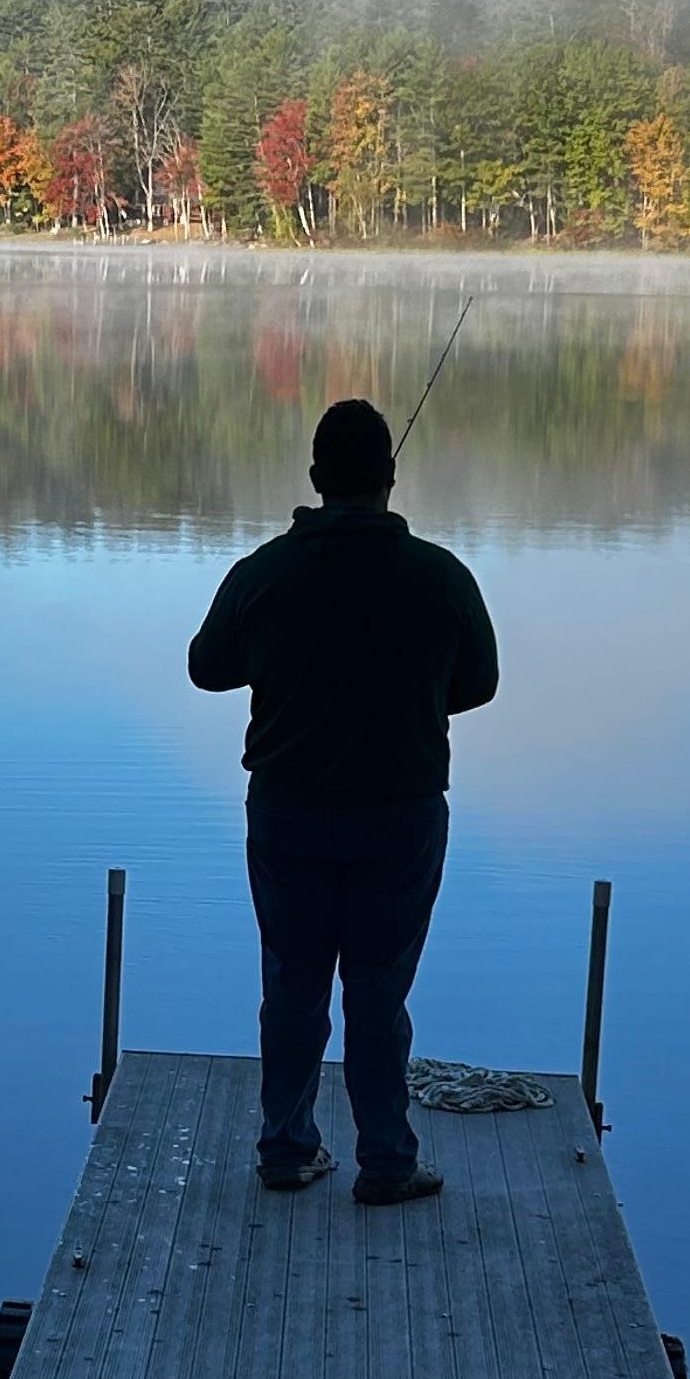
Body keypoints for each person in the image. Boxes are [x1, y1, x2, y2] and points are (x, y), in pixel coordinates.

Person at [186, 394, 499, 1204]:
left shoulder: (264, 571)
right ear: (391, 477)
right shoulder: (442, 575)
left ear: (317, 476)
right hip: (401, 816)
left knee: (292, 984)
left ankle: (287, 1149)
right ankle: (387, 1164)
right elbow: (479, 684)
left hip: (288, 810)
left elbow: (207, 667)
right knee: (378, 992)